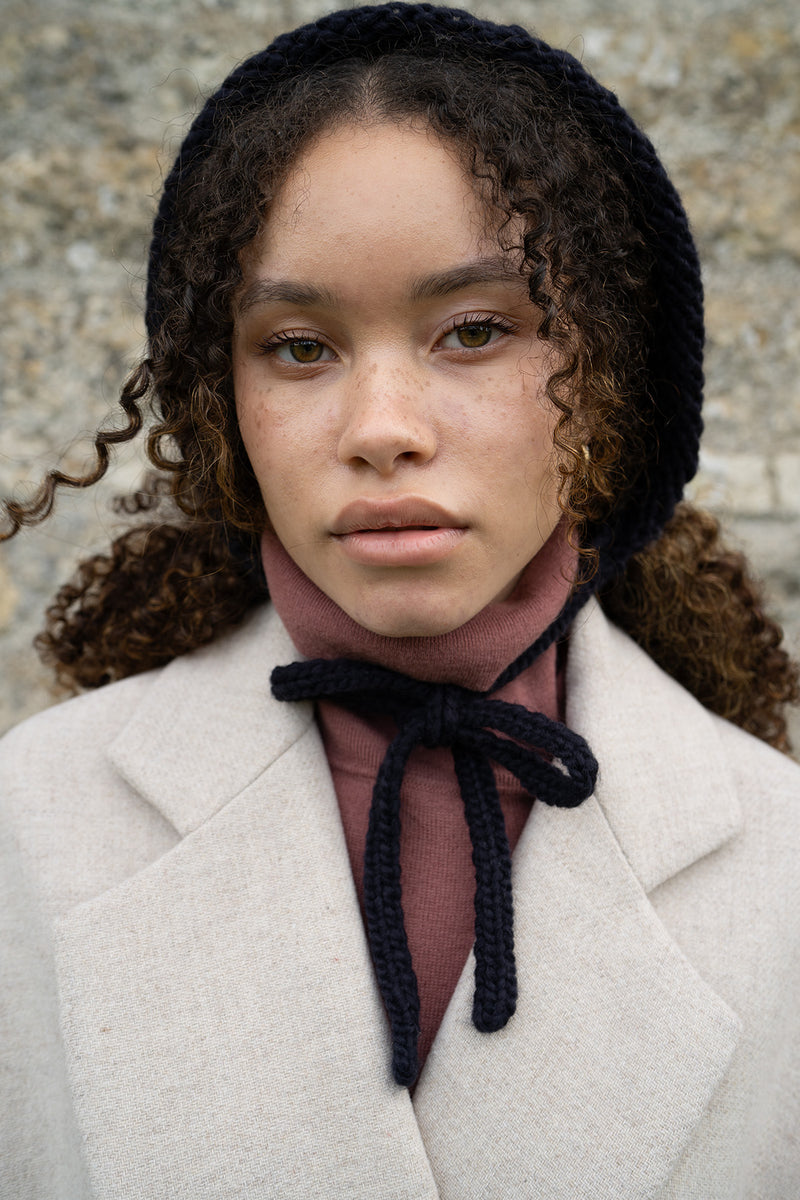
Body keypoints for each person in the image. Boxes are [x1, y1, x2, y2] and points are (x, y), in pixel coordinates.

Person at [1, 4, 799, 1197]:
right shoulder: (26, 827)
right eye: (300, 347)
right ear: (218, 399)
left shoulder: (781, 864)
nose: (381, 429)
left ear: (610, 373)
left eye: (473, 331)